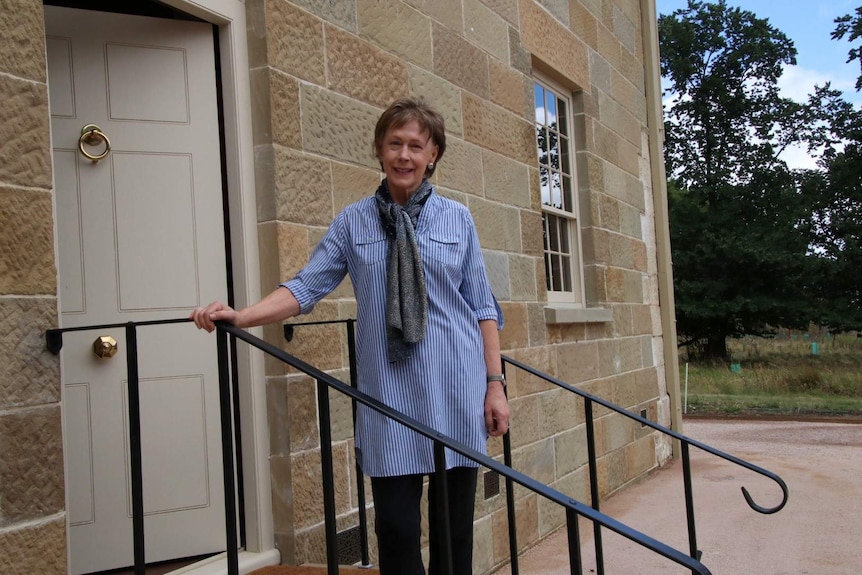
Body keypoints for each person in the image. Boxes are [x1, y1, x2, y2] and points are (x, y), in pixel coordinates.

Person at [191, 97, 509, 575]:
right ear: (380, 151)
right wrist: (244, 315)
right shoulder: (353, 222)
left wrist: (495, 383)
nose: (404, 155)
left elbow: (483, 307)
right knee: (397, 532)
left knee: (453, 532)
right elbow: (306, 286)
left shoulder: (458, 219)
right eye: (394, 143)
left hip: (455, 389)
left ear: (433, 155)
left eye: (416, 146)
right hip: (388, 396)